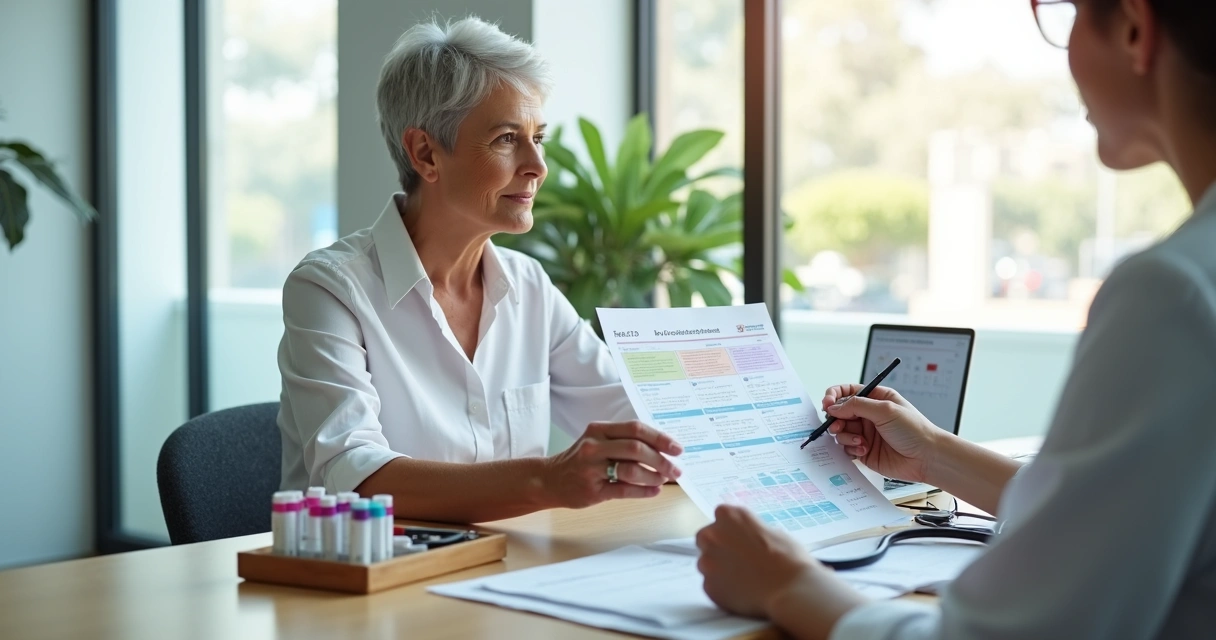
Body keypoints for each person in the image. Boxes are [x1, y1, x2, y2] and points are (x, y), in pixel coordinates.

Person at [695, 1, 1216, 638]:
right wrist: (933, 456)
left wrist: (786, 584)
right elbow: (1129, 512)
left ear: (1136, 29)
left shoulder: (1175, 295)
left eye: (1069, 11)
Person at [276, 17, 682, 523]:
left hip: (505, 567)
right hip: (373, 579)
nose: (537, 165)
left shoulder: (528, 286)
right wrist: (547, 479)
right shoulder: (329, 290)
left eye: (539, 137)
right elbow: (356, 477)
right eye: (508, 138)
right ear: (425, 153)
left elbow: (646, 423)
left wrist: (800, 423)